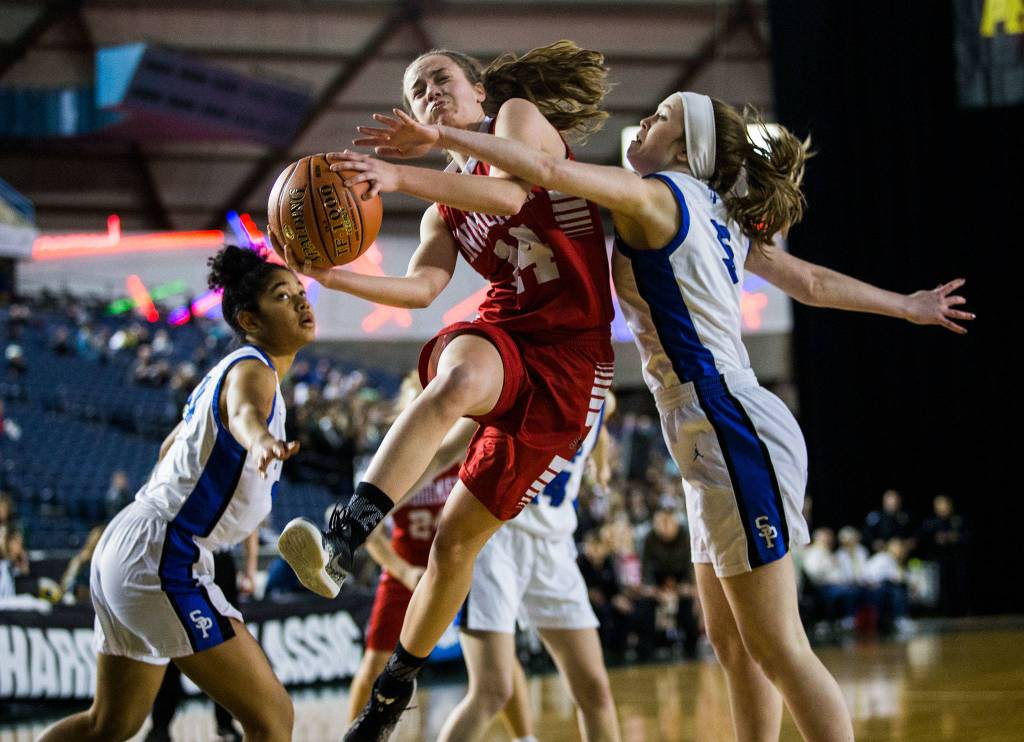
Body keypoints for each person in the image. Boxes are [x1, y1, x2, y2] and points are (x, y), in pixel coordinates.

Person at [352, 89, 973, 741]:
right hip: (711, 433)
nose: (644, 120)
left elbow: (550, 173)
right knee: (733, 645)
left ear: (685, 149)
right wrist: (905, 305)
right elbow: (809, 283)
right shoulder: (716, 211)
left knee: (780, 648)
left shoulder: (659, 194)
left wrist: (439, 144)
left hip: (728, 422)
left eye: (663, 118)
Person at [271, 40, 616, 739]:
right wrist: (334, 278)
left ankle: (393, 691)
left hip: (575, 355)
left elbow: (509, 191)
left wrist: (400, 173)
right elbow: (424, 289)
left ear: (478, 91)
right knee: (455, 377)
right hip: (509, 331)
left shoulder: (517, 120)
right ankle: (345, 537)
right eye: (416, 87)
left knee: (457, 543)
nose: (428, 92)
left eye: (439, 79)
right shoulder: (442, 212)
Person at [37, 245, 314, 742]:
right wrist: (262, 440)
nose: (301, 301)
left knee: (109, 725)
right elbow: (247, 414)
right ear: (249, 318)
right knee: (273, 719)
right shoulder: (253, 371)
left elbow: (170, 445)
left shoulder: (220, 375)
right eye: (282, 296)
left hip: (135, 542)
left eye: (299, 291)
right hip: (165, 555)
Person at [438, 400, 620, 742]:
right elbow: (445, 451)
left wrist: (601, 466)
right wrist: (375, 508)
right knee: (492, 691)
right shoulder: (520, 378)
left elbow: (603, 421)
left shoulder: (601, 398)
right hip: (497, 537)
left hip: (555, 547)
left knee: (594, 688)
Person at [862, 489, 914, 553]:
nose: (893, 502)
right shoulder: (876, 515)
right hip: (880, 550)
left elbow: (912, 534)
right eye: (890, 500)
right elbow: (866, 532)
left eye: (896, 500)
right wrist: (873, 542)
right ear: (884, 501)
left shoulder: (905, 516)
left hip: (900, 550)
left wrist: (908, 542)